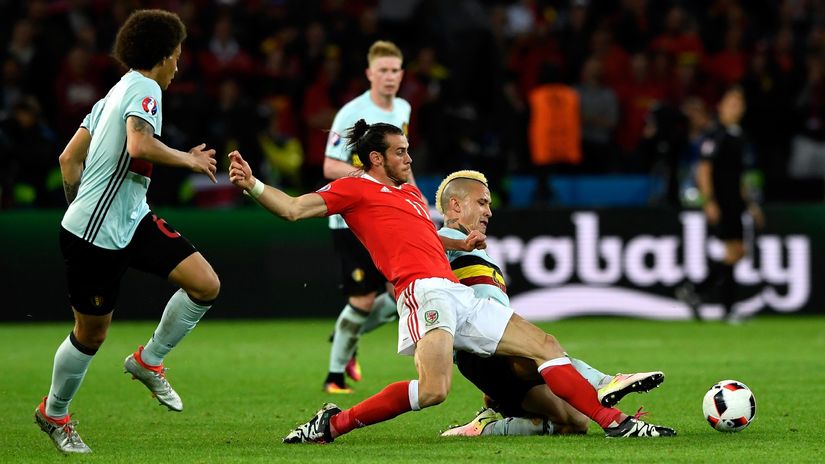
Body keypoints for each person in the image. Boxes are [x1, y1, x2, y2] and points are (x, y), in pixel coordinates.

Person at [228, 119, 676, 443]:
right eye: (400, 151)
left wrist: (460, 244)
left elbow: (424, 233)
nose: (409, 156)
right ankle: (332, 424)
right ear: (376, 158)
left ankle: (615, 423)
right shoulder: (354, 188)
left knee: (545, 344)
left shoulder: (409, 193)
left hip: (454, 292)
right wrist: (252, 185)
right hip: (422, 292)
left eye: (408, 149)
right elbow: (292, 209)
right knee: (434, 391)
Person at [34, 10, 220, 454]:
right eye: (176, 56)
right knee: (91, 335)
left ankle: (148, 360)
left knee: (205, 284)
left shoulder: (111, 95)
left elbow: (67, 160)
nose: (178, 66)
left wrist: (80, 201)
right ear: (162, 56)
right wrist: (190, 160)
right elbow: (139, 144)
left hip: (131, 219)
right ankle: (54, 412)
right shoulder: (145, 87)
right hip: (94, 237)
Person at [433, 170, 664, 437]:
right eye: (482, 203)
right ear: (456, 205)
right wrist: (459, 243)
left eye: (489, 204)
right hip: (482, 353)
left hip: (498, 351)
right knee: (545, 347)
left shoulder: (479, 251)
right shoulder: (444, 240)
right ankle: (604, 386)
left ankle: (486, 428)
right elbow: (422, 240)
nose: (489, 212)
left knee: (575, 422)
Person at [321, 40, 415, 394]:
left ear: (402, 74)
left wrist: (415, 197)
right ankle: (334, 376)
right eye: (384, 71)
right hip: (352, 221)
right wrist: (373, 184)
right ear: (370, 74)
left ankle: (348, 332)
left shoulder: (403, 108)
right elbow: (330, 166)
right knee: (361, 301)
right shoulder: (350, 113)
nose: (390, 77)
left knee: (403, 292)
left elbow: (402, 162)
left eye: (395, 71)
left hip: (389, 218)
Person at [676, 86, 764, 323]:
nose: (736, 107)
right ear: (721, 107)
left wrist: (751, 205)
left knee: (736, 252)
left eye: (739, 103)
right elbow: (704, 169)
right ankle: (722, 305)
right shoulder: (717, 134)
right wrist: (709, 201)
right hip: (723, 201)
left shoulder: (738, 134)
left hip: (735, 202)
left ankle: (697, 291)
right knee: (734, 251)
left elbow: (740, 176)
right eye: (731, 102)